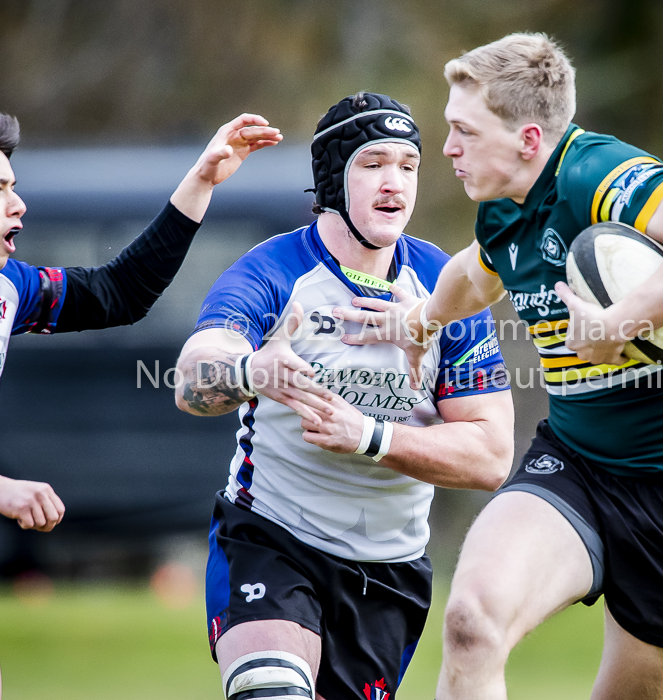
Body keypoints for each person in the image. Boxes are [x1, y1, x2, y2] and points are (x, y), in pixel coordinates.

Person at [336, 34, 663, 699]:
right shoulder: (503, 207)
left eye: (463, 131)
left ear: (529, 139)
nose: (446, 148)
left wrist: (621, 322)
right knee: (472, 624)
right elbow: (477, 275)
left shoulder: (592, 174)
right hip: (576, 463)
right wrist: (419, 322)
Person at [174, 92, 514, 700]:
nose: (395, 183)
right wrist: (251, 371)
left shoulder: (445, 287)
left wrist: (369, 436)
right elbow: (193, 375)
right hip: (272, 538)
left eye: (408, 166)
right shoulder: (276, 270)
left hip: (388, 572)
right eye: (374, 163)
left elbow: (490, 455)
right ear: (333, 175)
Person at [0, 99, 282, 700]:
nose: (17, 204)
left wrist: (201, 181)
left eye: (15, 187)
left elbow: (118, 294)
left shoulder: (3, 289)